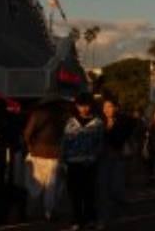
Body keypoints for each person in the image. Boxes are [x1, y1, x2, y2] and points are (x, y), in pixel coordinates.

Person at [63, 92, 104, 230]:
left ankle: (90, 219)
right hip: (73, 163)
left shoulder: (98, 123)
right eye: (81, 105)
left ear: (91, 105)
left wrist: (95, 157)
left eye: (86, 105)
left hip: (90, 163)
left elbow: (100, 143)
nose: (84, 108)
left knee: (89, 193)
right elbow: (65, 142)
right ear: (76, 106)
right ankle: (76, 220)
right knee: (75, 193)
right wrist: (64, 160)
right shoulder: (69, 122)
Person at [23, 96, 68, 221]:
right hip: (54, 154)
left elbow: (27, 134)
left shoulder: (37, 114)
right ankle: (49, 212)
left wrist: (30, 147)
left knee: (34, 185)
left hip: (36, 153)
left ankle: (33, 211)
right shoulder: (63, 116)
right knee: (51, 186)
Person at [98, 95, 134, 226]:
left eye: (110, 106)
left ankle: (121, 206)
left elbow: (120, 140)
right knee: (103, 189)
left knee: (116, 188)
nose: (107, 109)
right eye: (105, 107)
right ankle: (104, 217)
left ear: (116, 108)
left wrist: (110, 130)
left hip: (117, 158)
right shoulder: (98, 122)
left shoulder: (122, 122)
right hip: (102, 159)